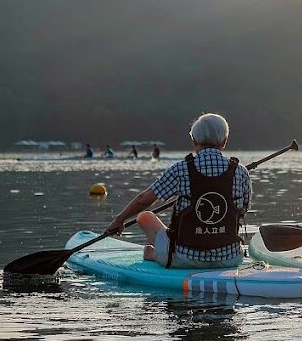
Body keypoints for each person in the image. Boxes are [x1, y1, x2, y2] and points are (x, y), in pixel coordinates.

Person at [103, 113, 251, 269]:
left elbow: (143, 200)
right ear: (224, 142)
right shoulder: (240, 172)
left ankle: (154, 254)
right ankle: (156, 253)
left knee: (144, 216)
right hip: (230, 258)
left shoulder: (181, 169)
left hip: (184, 260)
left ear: (194, 140)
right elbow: (242, 209)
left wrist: (120, 220)